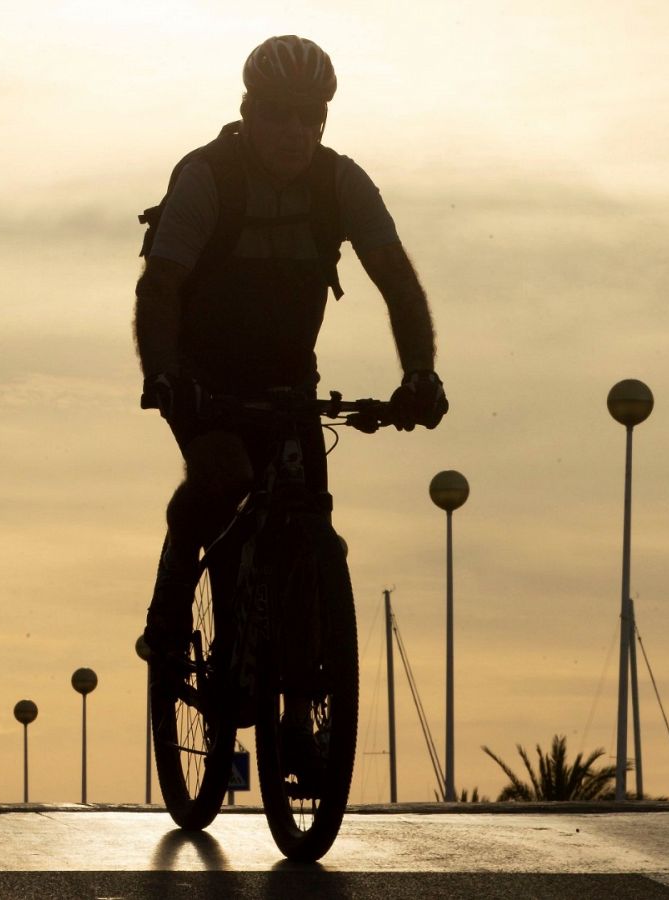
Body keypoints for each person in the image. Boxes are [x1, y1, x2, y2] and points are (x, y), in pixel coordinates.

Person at [133, 35, 448, 652]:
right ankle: (170, 604)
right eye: (278, 113)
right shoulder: (208, 179)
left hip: (286, 377)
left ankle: (303, 685)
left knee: (309, 513)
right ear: (248, 112)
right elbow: (161, 287)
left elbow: (400, 286)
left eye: (311, 116)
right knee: (222, 473)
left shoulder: (342, 183)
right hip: (202, 371)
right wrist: (166, 374)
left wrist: (420, 375)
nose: (294, 131)